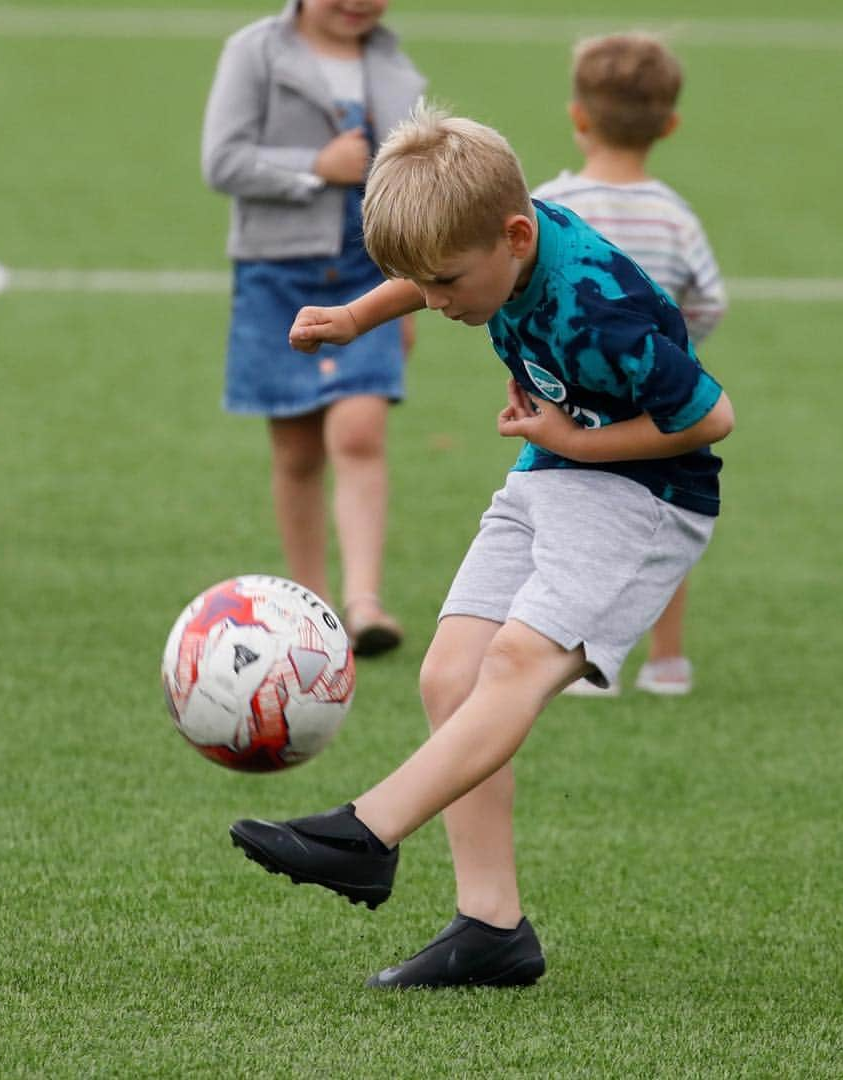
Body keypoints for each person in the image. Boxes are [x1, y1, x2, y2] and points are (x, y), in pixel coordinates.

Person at [229, 104, 734, 989]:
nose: (437, 303)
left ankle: (368, 833)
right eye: (419, 286)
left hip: (645, 495)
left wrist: (576, 444)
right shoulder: (493, 241)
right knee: (447, 674)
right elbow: (429, 269)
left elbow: (707, 418)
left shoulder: (598, 307)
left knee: (512, 667)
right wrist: (357, 315)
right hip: (554, 469)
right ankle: (492, 927)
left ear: (513, 235)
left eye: (447, 284)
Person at [201, 0, 425, 655]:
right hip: (277, 274)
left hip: (367, 270)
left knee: (359, 432)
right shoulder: (254, 52)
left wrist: (404, 298)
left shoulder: (392, 62)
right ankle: (311, 605)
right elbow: (223, 160)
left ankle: (365, 602)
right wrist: (313, 168)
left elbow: (409, 186)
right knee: (297, 452)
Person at [534, 32, 728, 697]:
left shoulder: (552, 208)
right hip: (660, 401)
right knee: (659, 522)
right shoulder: (675, 216)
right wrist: (677, 346)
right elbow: (708, 300)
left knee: (577, 525)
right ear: (669, 125)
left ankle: (587, 663)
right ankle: (666, 661)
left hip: (574, 399)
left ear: (578, 116)